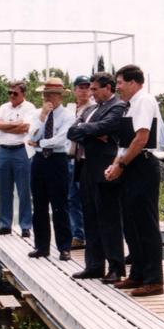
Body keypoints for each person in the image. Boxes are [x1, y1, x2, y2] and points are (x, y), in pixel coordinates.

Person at [107, 64, 164, 296]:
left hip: (142, 165)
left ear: (133, 82)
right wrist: (115, 164)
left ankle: (154, 279)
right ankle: (137, 274)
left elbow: (141, 138)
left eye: (120, 82)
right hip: (130, 165)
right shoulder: (129, 106)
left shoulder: (144, 101)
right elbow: (124, 141)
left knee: (145, 224)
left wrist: (120, 165)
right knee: (131, 224)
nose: (117, 87)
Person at [67, 72, 129, 282]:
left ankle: (115, 267)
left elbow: (108, 126)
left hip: (105, 168)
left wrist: (86, 130)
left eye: (95, 89)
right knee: (90, 218)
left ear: (108, 88)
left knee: (109, 219)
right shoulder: (92, 109)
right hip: (85, 167)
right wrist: (90, 132)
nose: (91, 93)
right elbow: (72, 131)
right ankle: (94, 265)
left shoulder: (118, 106)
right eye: (90, 89)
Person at [25, 77, 75, 261]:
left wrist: (39, 142)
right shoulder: (38, 114)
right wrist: (42, 118)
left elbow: (61, 140)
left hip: (58, 160)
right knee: (39, 205)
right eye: (46, 94)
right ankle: (41, 246)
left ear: (60, 97)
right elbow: (31, 134)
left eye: (52, 94)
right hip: (39, 160)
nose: (48, 98)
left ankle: (64, 247)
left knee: (60, 205)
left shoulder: (68, 115)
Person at [0, 80, 37, 237]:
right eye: (9, 92)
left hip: (20, 151)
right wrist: (14, 126)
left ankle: (25, 225)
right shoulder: (4, 107)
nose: (11, 96)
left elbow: (26, 127)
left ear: (23, 93)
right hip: (4, 150)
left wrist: (5, 125)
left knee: (24, 190)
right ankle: (4, 224)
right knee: (4, 189)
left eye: (15, 93)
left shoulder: (29, 108)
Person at [66, 75, 93, 249]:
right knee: (71, 197)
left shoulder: (93, 108)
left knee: (86, 197)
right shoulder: (70, 109)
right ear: (75, 89)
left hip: (85, 158)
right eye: (80, 87)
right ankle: (77, 234)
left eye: (86, 87)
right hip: (69, 156)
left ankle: (87, 235)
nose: (84, 90)